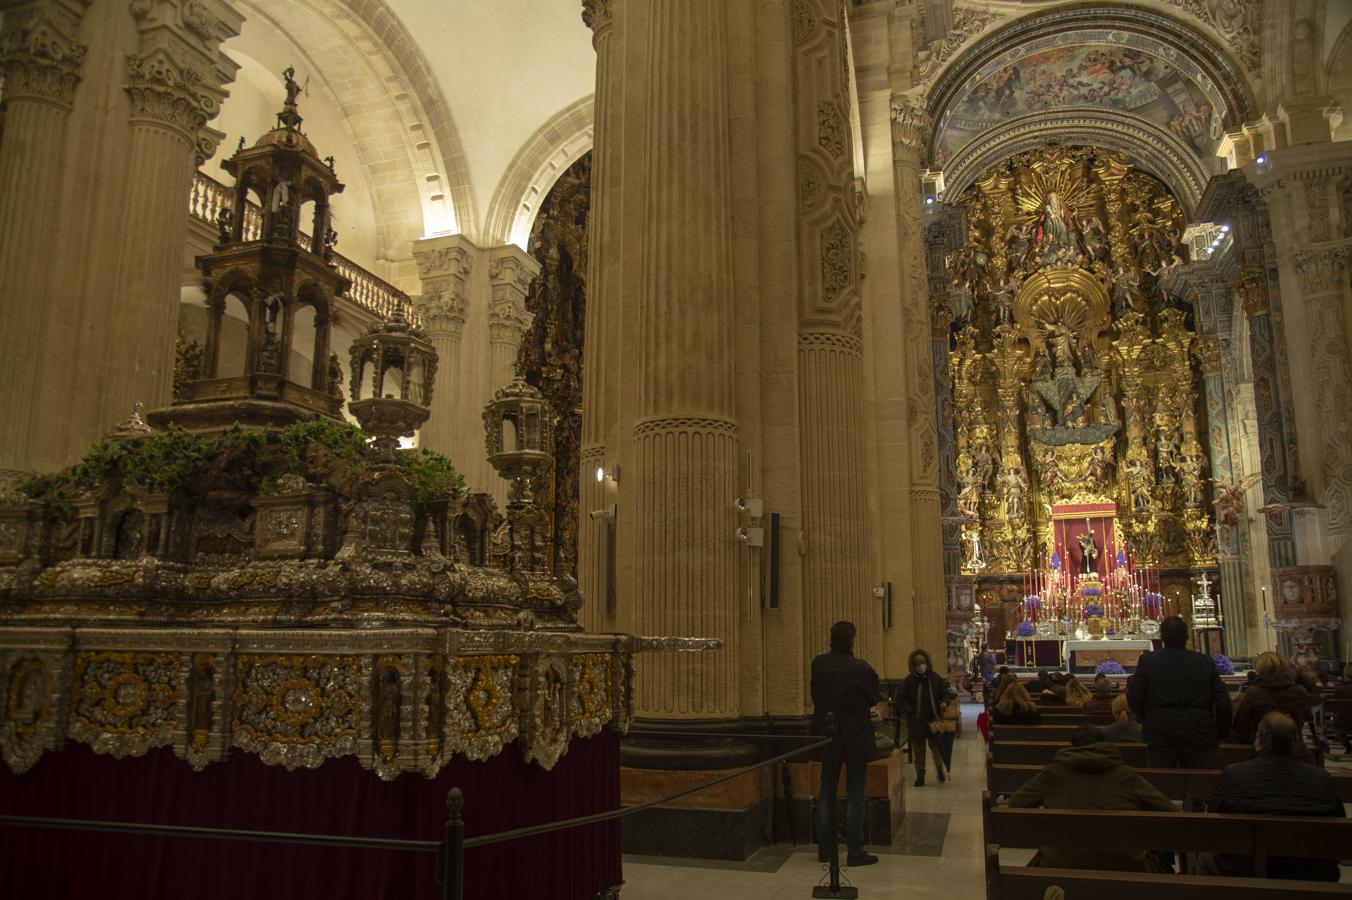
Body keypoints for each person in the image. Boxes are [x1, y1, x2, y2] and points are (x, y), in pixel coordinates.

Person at [1008, 725, 1175, 871]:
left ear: (1072, 746)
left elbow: (1016, 802)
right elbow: (1169, 810)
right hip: (1125, 865)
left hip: (1061, 864)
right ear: (1104, 743)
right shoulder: (1127, 775)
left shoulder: (1053, 773)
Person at [1202, 713, 1345, 881]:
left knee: (1205, 858)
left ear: (1259, 739)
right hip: (1311, 872)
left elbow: (1214, 818)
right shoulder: (1320, 778)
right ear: (1295, 741)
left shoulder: (1234, 774)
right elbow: (1338, 822)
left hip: (1245, 869)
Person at [810, 621, 881, 867]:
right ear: (852, 641)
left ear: (831, 639)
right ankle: (855, 850)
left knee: (826, 790)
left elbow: (815, 695)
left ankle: (825, 849)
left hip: (827, 733)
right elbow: (874, 698)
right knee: (855, 792)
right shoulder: (861, 668)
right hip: (855, 734)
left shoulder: (818, 664)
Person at [1127, 615, 1232, 768]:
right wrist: (1221, 734)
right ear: (1187, 636)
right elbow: (1223, 703)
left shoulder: (1148, 661)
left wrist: (1145, 717)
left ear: (1162, 637)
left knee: (1162, 782)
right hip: (1199, 729)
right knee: (1198, 782)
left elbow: (1134, 696)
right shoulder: (1204, 662)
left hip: (1160, 730)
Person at [1230, 651, 1316, 763]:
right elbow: (1315, 699)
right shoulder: (1298, 691)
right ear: (1283, 667)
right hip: (1295, 750)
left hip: (1263, 752)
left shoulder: (1253, 693)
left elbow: (1241, 727)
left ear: (1258, 668)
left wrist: (1255, 740)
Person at [894, 648, 954, 787]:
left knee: (936, 748)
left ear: (927, 663)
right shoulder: (909, 681)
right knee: (918, 750)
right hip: (916, 720)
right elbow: (901, 699)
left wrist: (944, 702)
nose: (921, 666)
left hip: (933, 718)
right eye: (918, 664)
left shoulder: (934, 678)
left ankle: (939, 768)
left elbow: (945, 693)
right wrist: (910, 710)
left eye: (923, 663)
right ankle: (920, 775)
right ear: (913, 666)